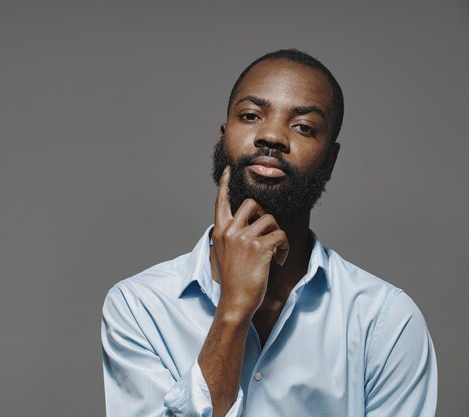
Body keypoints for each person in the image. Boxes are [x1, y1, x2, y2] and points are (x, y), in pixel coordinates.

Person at [101, 49, 437, 417]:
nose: (272, 135)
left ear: (331, 160)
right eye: (250, 116)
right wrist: (233, 311)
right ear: (222, 138)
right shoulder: (138, 307)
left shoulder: (385, 322)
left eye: (304, 126)